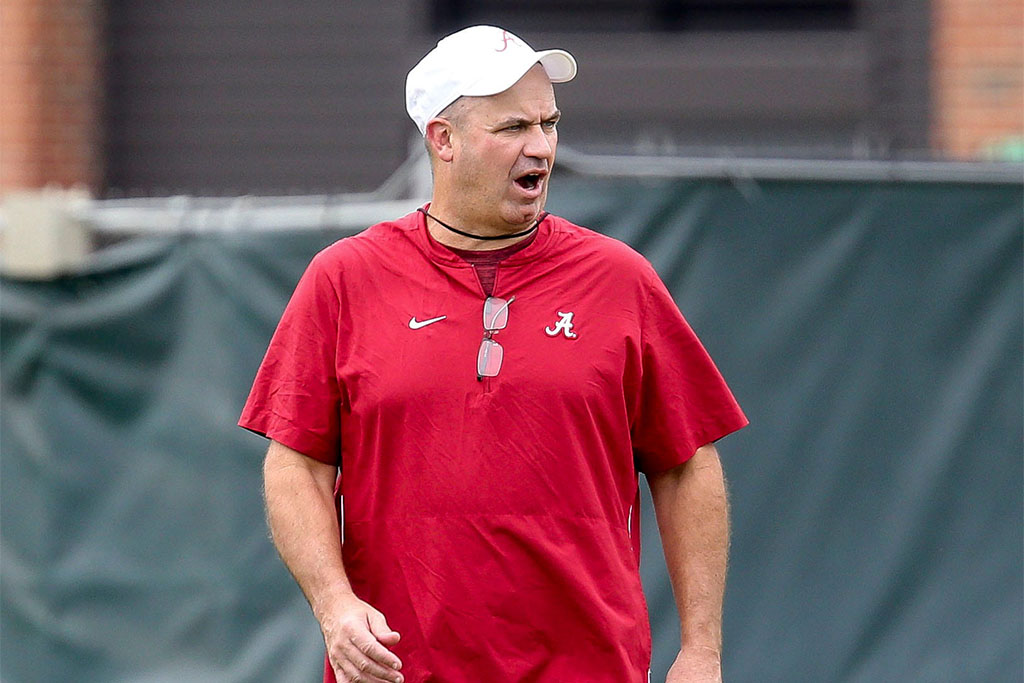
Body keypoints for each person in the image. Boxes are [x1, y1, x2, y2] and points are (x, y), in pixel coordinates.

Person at [240, 25, 747, 683]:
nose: (541, 146)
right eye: (512, 128)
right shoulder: (343, 279)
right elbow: (295, 467)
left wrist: (702, 649)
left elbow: (686, 465)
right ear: (442, 141)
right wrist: (335, 603)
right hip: (401, 671)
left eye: (549, 123)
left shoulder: (620, 279)